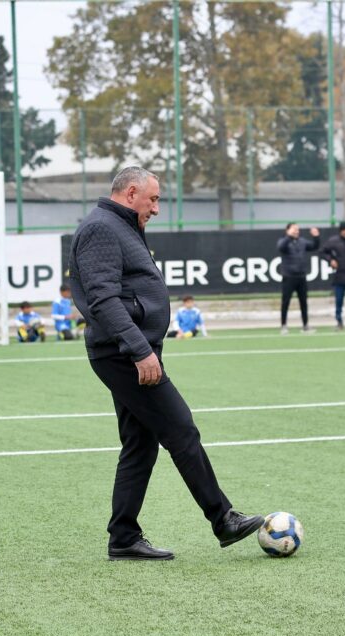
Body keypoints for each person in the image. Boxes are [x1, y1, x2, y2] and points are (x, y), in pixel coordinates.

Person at [68, 166, 263, 561]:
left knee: (140, 445)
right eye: (153, 199)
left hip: (130, 350)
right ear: (131, 193)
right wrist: (140, 351)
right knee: (181, 430)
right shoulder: (101, 229)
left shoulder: (121, 225)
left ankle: (123, 537)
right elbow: (104, 300)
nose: (157, 208)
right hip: (124, 354)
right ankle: (222, 518)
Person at [277, 223, 320, 334]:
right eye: (294, 229)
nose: (296, 231)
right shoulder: (283, 241)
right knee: (285, 302)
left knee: (303, 302)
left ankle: (305, 325)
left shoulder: (302, 241)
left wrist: (316, 237)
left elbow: (314, 246)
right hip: (289, 276)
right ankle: (284, 325)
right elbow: (281, 247)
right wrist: (289, 237)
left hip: (301, 276)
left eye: (298, 229)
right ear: (287, 230)